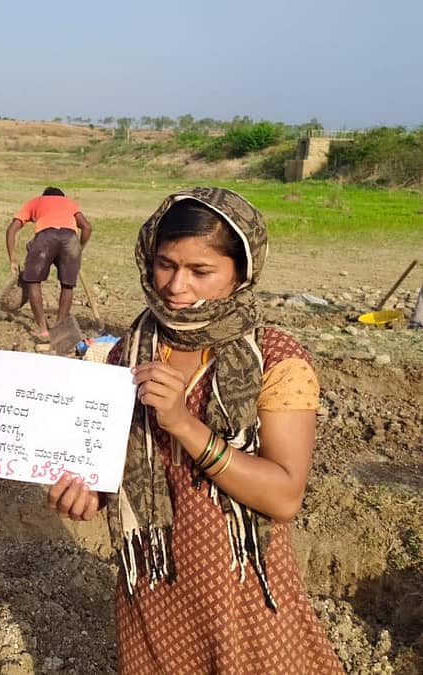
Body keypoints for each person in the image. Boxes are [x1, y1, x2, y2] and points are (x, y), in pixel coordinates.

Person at [48, 188, 342, 673]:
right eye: (165, 264)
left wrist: (186, 425)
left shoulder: (276, 359)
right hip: (153, 582)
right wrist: (86, 496)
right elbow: (115, 469)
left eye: (201, 271)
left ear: (240, 273)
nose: (176, 286)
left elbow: (285, 496)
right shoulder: (131, 352)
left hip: (240, 587)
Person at [5, 187, 92, 340]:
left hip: (45, 238)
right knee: (68, 285)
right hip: (70, 239)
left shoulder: (35, 202)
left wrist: (12, 257)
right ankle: (59, 328)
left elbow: (12, 229)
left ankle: (43, 329)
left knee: (32, 281)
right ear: (61, 196)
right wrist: (80, 248)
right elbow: (86, 227)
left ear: (44, 196)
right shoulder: (69, 203)